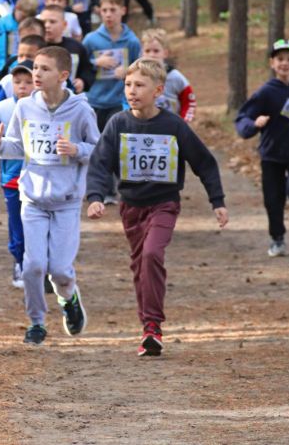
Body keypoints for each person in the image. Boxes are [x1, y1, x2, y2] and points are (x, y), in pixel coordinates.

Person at [86, 58, 228, 357]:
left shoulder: (173, 125)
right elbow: (100, 162)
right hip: (131, 207)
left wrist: (217, 201)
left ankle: (152, 325)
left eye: (139, 85)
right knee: (141, 266)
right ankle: (147, 326)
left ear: (158, 90)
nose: (131, 91)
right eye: (127, 85)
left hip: (164, 204)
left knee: (152, 254)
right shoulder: (118, 123)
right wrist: (96, 196)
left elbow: (204, 162)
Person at [0, 46, 98, 345]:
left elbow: (99, 150)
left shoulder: (81, 110)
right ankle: (36, 321)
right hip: (32, 198)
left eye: (44, 69)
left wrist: (77, 150)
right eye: (35, 68)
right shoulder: (24, 107)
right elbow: (18, 147)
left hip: (66, 201)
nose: (36, 74)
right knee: (33, 265)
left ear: (63, 75)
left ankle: (69, 299)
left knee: (59, 269)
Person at [234, 39, 289, 258]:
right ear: (272, 63)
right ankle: (277, 239)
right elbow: (243, 118)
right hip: (271, 154)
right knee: (273, 201)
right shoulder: (265, 92)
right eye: (280, 59)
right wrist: (254, 124)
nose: (285, 63)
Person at [83, 0, 141, 205]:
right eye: (104, 10)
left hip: (119, 101)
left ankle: (122, 189)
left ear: (122, 11)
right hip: (95, 100)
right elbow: (80, 64)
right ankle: (100, 190)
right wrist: (95, 61)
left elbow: (140, 67)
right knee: (97, 146)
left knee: (117, 146)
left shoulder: (132, 41)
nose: (108, 15)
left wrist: (128, 71)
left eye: (113, 10)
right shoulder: (91, 40)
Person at [0, 60, 35, 288]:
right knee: (17, 223)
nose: (23, 87)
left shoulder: (45, 110)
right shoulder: (3, 108)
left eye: (28, 82)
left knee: (36, 223)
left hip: (39, 177)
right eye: (18, 82)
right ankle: (19, 261)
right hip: (12, 177)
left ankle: (37, 265)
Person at [140, 29, 195, 121]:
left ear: (165, 53)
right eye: (147, 51)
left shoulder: (176, 77)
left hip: (172, 128)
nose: (151, 55)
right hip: (146, 128)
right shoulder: (137, 77)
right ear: (142, 53)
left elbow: (189, 101)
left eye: (156, 51)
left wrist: (184, 122)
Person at [38, 5, 94, 95]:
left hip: (70, 98)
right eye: (43, 22)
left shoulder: (76, 47)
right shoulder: (35, 46)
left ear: (64, 25)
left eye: (52, 22)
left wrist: (83, 81)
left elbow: (88, 69)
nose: (47, 25)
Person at [0, 0, 39, 72]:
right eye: (23, 16)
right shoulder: (3, 23)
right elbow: (0, 49)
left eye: (28, 18)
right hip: (8, 66)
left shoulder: (34, 24)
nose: (24, 21)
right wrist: (2, 69)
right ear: (17, 8)